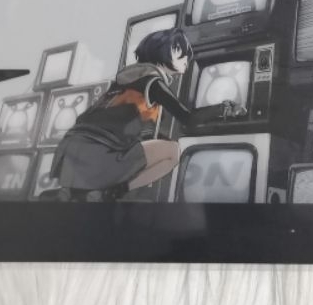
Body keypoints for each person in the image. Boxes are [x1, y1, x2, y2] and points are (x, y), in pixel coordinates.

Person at [51, 27, 242, 201]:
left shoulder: (124, 78)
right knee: (173, 152)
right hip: (99, 154)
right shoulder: (153, 82)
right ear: (167, 51)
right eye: (182, 53)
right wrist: (224, 108)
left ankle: (72, 191)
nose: (187, 60)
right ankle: (114, 191)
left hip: (69, 152)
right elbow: (188, 118)